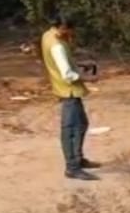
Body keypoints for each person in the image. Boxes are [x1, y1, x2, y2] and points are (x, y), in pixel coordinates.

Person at [40, 13, 100, 181]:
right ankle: (72, 167)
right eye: (70, 31)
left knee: (81, 124)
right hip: (68, 90)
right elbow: (67, 74)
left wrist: (79, 65)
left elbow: (62, 63)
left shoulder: (48, 35)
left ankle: (78, 159)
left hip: (65, 88)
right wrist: (88, 78)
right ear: (64, 28)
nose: (71, 34)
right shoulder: (57, 45)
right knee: (71, 129)